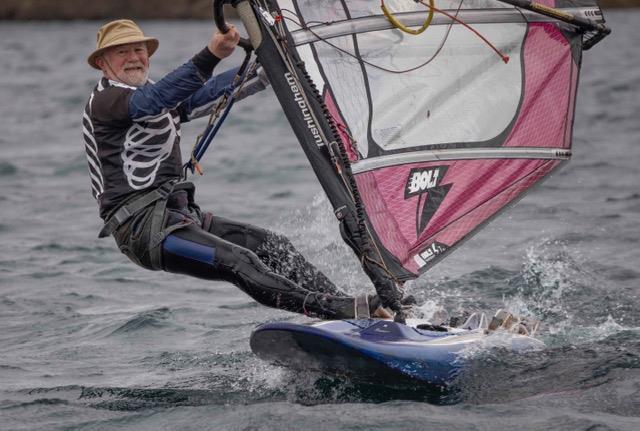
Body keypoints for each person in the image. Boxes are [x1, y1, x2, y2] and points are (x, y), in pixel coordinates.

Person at [82, 19, 386, 320]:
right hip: (141, 229)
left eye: (138, 49)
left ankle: (348, 309)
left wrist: (269, 69)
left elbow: (208, 94)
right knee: (239, 261)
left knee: (273, 246)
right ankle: (336, 310)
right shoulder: (107, 100)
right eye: (122, 52)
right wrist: (211, 55)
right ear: (101, 62)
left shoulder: (151, 94)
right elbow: (154, 101)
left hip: (178, 215)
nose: (134, 57)